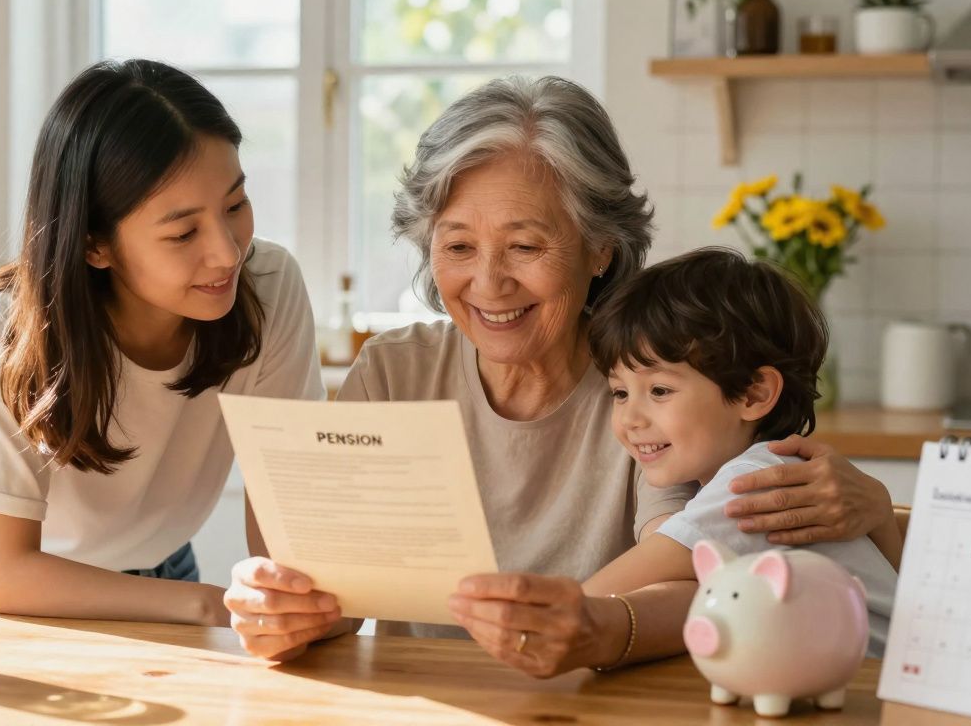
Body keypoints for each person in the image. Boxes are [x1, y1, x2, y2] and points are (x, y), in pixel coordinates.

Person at [224, 75, 901, 676]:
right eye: (458, 246)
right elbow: (339, 590)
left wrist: (597, 629)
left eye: (525, 246)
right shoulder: (395, 369)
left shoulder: (650, 389)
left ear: (601, 247)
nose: (489, 283)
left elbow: (693, 581)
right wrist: (293, 611)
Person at [0, 59, 324, 626]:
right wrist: (211, 604)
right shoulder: (14, 327)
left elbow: (286, 506)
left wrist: (289, 609)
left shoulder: (267, 286)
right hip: (19, 590)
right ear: (96, 245)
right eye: (183, 232)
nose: (227, 252)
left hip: (163, 572)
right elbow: (4, 570)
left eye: (235, 206)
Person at [582, 247, 898, 657]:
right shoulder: (763, 468)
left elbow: (592, 599)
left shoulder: (755, 482)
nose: (630, 419)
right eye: (620, 393)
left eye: (659, 390)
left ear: (754, 393)